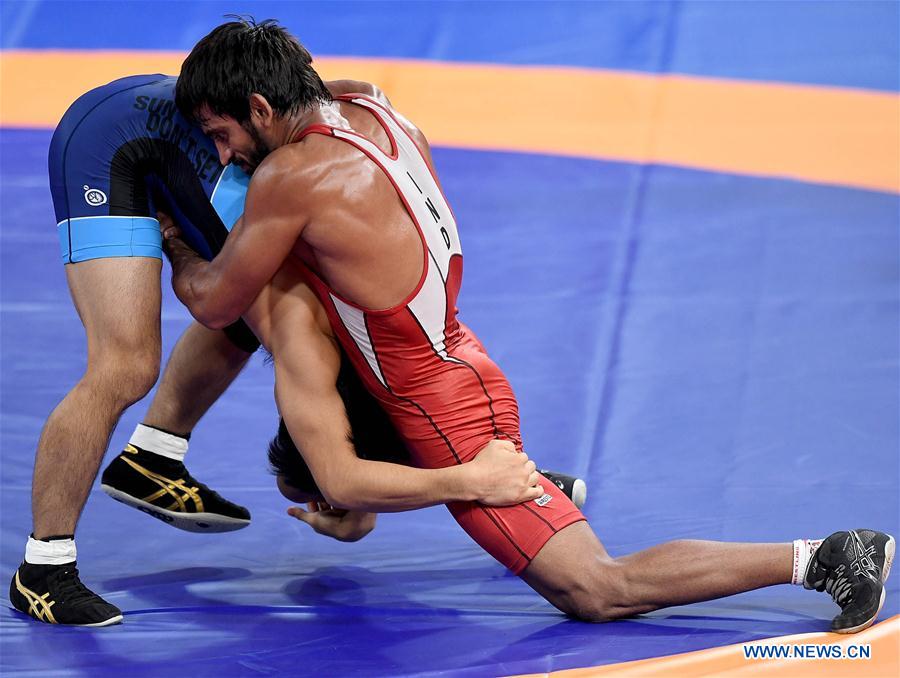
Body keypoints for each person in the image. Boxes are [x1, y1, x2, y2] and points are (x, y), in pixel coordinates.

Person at [165, 18, 893, 633]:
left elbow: (217, 303)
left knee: (595, 589)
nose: (225, 156)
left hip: (439, 409)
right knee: (330, 455)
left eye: (222, 134)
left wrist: (164, 229)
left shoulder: (291, 179)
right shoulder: (378, 111)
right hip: (457, 360)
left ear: (262, 108)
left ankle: (828, 555)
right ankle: (527, 484)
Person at [9, 74, 583, 627]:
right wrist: (179, 249)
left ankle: (152, 455)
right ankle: (43, 567)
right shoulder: (311, 339)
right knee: (126, 367)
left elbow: (366, 90)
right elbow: (209, 303)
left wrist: (387, 490)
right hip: (112, 144)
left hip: (183, 130)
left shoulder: (347, 323)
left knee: (247, 302)